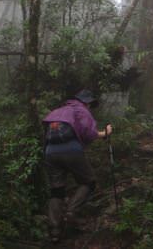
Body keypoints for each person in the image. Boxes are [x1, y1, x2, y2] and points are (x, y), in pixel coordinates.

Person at [42, 89, 113, 243]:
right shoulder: (81, 110)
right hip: (71, 150)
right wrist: (105, 134)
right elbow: (89, 133)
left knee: (57, 191)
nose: (90, 108)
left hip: (50, 152)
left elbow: (46, 134)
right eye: (90, 105)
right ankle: (71, 212)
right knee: (88, 181)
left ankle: (54, 230)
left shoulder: (58, 111)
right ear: (86, 102)